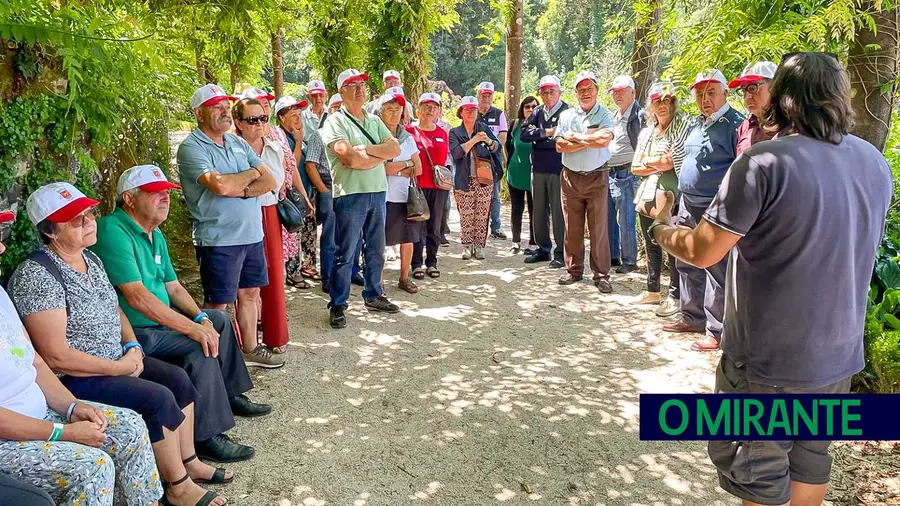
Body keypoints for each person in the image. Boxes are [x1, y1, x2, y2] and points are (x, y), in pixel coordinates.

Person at [647, 52, 892, 506]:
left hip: (768, 364)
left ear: (782, 100)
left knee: (758, 476)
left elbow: (702, 251)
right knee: (811, 458)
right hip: (838, 359)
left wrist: (661, 228)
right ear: (841, 99)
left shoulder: (763, 162)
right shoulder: (874, 163)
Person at [7, 183, 229, 506]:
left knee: (178, 380)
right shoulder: (36, 276)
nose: (88, 221)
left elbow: (115, 310)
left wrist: (131, 346)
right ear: (51, 231)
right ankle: (177, 485)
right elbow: (55, 357)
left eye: (88, 213)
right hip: (80, 375)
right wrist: (118, 367)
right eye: (75, 219)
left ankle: (188, 460)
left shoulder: (91, 259)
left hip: (117, 358)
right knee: (157, 397)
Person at [91, 164, 270, 466]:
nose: (165, 198)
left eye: (167, 193)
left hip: (158, 324)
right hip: (137, 333)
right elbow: (138, 297)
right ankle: (206, 436)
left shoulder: (154, 233)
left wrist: (199, 319)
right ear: (129, 199)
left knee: (219, 321)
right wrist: (190, 329)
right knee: (195, 346)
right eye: (155, 193)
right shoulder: (113, 230)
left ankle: (230, 395)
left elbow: (173, 288)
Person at [0, 207, 163, 506]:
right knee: (91, 466)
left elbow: (34, 362)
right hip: (9, 441)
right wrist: (62, 431)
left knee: (129, 426)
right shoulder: (37, 274)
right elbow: (54, 356)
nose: (2, 247)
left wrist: (72, 407)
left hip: (44, 414)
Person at [175, 84, 284, 367]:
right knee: (218, 305)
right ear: (199, 114)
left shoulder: (236, 142)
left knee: (250, 294)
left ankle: (250, 349)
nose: (224, 112)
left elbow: (270, 181)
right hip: (218, 239)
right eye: (217, 107)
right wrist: (250, 175)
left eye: (226, 106)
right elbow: (219, 185)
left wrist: (242, 186)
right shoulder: (191, 148)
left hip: (251, 233)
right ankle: (218, 360)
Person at [662, 69, 744, 351]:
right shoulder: (696, 124)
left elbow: (741, 167)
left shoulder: (736, 124)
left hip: (714, 207)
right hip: (688, 201)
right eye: (699, 94)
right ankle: (691, 315)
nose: (704, 99)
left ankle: (716, 329)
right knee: (685, 261)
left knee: (715, 266)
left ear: (725, 93)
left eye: (711, 93)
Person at [319, 68, 402, 329]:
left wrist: (365, 151)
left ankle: (373, 295)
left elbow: (395, 149)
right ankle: (338, 303)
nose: (359, 88)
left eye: (362, 84)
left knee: (375, 249)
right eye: (352, 84)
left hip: (377, 192)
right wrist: (376, 157)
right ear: (341, 91)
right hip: (350, 195)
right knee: (345, 252)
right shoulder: (334, 122)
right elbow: (349, 158)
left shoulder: (374, 121)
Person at [229, 98, 296, 356]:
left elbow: (276, 183)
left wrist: (247, 185)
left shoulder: (274, 148)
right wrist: (257, 181)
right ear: (239, 122)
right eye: (252, 119)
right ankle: (243, 337)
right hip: (240, 214)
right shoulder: (230, 148)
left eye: (263, 118)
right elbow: (231, 185)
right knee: (242, 280)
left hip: (268, 211)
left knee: (273, 274)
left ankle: (275, 334)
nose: (259, 124)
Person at [239, 88, 313, 296]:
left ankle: (273, 306)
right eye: (259, 104)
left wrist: (304, 196)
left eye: (266, 104)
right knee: (255, 262)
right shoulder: (238, 139)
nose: (264, 109)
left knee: (275, 259)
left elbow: (291, 167)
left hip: (279, 202)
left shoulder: (277, 133)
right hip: (253, 205)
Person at [554, 70, 615, 293]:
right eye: (581, 89)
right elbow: (560, 145)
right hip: (570, 177)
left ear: (597, 91)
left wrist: (576, 138)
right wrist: (590, 138)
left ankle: (601, 275)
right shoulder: (566, 116)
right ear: (576, 92)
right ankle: (573, 271)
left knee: (599, 228)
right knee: (572, 226)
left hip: (597, 175)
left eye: (589, 88)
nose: (585, 92)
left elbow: (604, 141)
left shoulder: (606, 114)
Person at [630, 82, 687, 316]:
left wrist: (649, 161)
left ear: (673, 102)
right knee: (651, 242)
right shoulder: (647, 131)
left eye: (666, 100)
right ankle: (652, 290)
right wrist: (657, 162)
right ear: (650, 105)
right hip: (647, 195)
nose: (661, 105)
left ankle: (675, 295)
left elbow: (671, 162)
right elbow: (635, 166)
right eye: (657, 101)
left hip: (671, 195)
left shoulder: (680, 127)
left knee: (672, 246)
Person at [373, 87, 424, 293]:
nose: (395, 113)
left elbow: (418, 168)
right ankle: (379, 281)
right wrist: (405, 165)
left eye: (398, 109)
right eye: (389, 109)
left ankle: (404, 278)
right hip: (382, 195)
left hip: (405, 197)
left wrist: (397, 166)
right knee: (380, 241)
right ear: (380, 112)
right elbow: (381, 168)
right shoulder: (376, 137)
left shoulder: (407, 138)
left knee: (407, 238)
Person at [520, 75, 570, 268]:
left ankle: (560, 252)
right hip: (538, 168)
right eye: (544, 92)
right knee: (538, 211)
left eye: (551, 91)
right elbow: (524, 134)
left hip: (559, 168)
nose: (548, 95)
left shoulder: (568, 111)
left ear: (559, 91)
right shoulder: (537, 111)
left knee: (558, 212)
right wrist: (548, 133)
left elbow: (565, 139)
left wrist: (539, 137)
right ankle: (543, 249)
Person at [449, 96, 503, 260]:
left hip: (484, 180)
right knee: (466, 215)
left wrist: (488, 140)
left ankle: (479, 246)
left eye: (473, 109)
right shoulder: (455, 132)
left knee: (481, 214)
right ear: (461, 112)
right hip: (463, 180)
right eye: (467, 109)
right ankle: (466, 246)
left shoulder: (484, 128)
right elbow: (457, 153)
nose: (471, 112)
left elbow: (497, 147)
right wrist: (474, 140)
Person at [273, 96, 319, 287]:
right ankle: (292, 272)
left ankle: (307, 266)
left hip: (305, 192)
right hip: (291, 195)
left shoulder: (297, 134)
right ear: (281, 118)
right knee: (293, 231)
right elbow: (293, 164)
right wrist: (299, 142)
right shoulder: (280, 138)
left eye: (299, 114)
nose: (298, 118)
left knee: (309, 230)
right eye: (293, 115)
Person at [408, 92, 451, 279]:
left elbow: (443, 159)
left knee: (435, 225)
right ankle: (416, 264)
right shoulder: (409, 131)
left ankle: (432, 262)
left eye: (434, 107)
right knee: (417, 224)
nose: (430, 110)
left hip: (438, 186)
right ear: (418, 109)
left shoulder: (443, 133)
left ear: (439, 111)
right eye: (426, 106)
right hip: (416, 185)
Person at [605, 76, 644, 274]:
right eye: (615, 91)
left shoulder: (639, 115)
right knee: (609, 217)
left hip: (627, 172)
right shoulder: (613, 115)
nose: (617, 95)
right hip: (609, 172)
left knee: (625, 218)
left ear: (633, 92)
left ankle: (629, 260)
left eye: (622, 91)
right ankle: (613, 256)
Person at [303, 106, 338, 295]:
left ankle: (349, 273)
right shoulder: (319, 134)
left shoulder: (352, 134)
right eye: (337, 108)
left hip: (350, 190)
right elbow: (310, 164)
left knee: (350, 236)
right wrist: (324, 190)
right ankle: (328, 277)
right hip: (329, 188)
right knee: (330, 236)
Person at [505, 96, 539, 254]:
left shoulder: (542, 126)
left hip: (535, 174)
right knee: (516, 208)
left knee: (535, 209)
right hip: (516, 173)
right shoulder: (515, 125)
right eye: (527, 107)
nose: (531, 110)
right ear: (522, 109)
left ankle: (534, 243)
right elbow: (508, 146)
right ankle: (516, 242)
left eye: (534, 107)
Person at [475, 81, 508, 240]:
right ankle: (475, 227)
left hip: (493, 161)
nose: (486, 98)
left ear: (493, 96)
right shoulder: (472, 112)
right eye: (483, 95)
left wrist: (491, 144)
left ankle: (496, 226)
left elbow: (503, 137)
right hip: (474, 160)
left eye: (489, 95)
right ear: (478, 95)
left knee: (494, 195)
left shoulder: (499, 113)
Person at [729, 61, 777, 155]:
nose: (747, 97)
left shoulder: (789, 124)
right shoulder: (745, 126)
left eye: (753, 88)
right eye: (743, 90)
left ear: (774, 87)